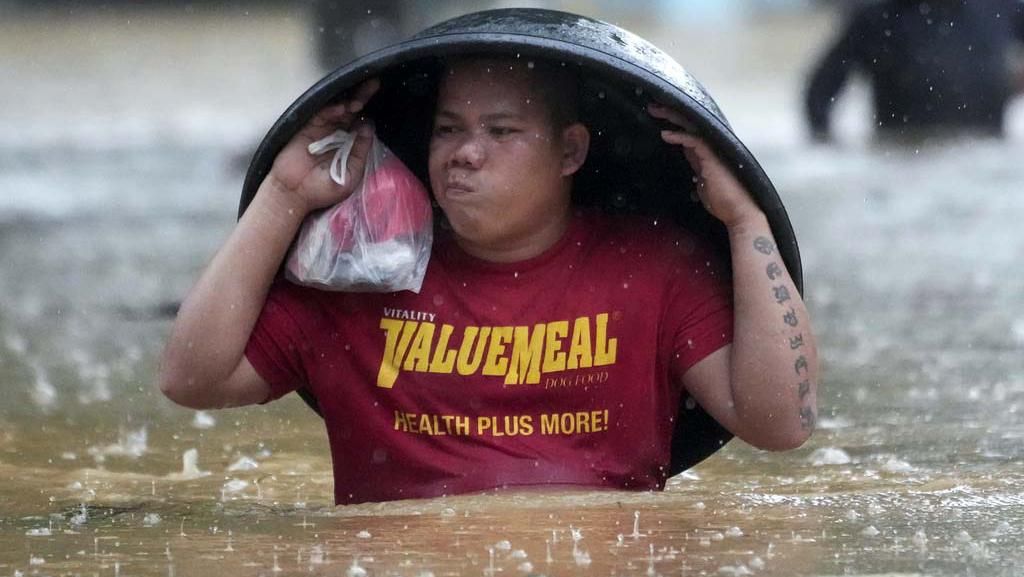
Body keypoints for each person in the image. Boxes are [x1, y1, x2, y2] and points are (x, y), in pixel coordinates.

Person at [159, 56, 818, 505]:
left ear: (571, 152)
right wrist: (283, 193)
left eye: (500, 131)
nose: (465, 152)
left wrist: (742, 215)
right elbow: (191, 377)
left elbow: (783, 422)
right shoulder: (362, 277)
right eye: (449, 130)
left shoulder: (654, 267)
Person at [805, 0, 1024, 141]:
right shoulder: (876, 18)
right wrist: (830, 153)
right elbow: (819, 93)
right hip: (904, 165)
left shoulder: (999, 9)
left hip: (986, 162)